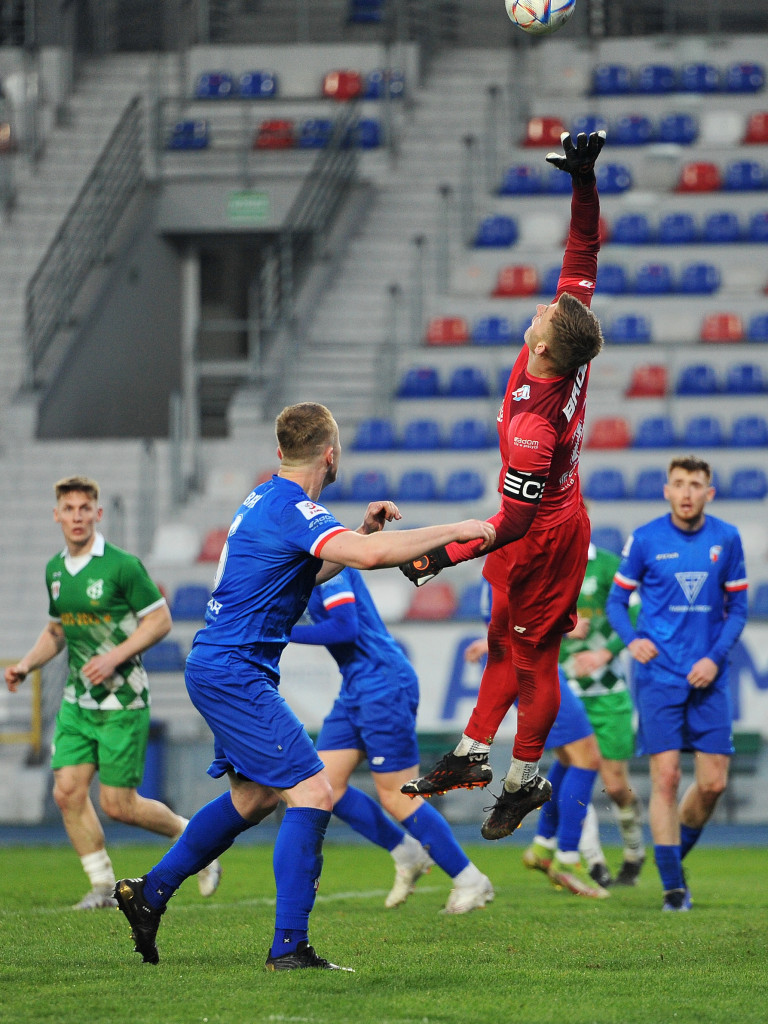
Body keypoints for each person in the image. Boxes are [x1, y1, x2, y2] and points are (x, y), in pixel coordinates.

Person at [111, 402, 495, 971]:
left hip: (224, 666)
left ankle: (150, 893)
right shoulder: (294, 508)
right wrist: (458, 528)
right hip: (235, 671)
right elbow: (370, 558)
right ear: (331, 454)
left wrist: (360, 530)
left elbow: (311, 569)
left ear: (280, 452)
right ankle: (289, 948)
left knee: (256, 796)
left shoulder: (264, 499)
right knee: (314, 792)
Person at [399, 129, 607, 841]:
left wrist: (441, 555)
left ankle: (523, 778)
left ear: (545, 346)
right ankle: (470, 754)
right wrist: (582, 182)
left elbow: (513, 524)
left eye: (545, 313)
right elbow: (584, 255)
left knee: (532, 655)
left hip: (543, 537)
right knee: (499, 643)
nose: (541, 307)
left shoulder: (534, 430)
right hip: (536, 524)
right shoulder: (566, 352)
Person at [3, 475, 222, 909]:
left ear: (98, 514)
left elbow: (158, 621)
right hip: (77, 700)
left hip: (122, 701)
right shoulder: (55, 570)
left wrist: (113, 657)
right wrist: (27, 665)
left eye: (85, 508)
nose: (77, 516)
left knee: (119, 805)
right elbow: (56, 631)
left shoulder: (122, 566)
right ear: (57, 515)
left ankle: (196, 842)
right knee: (66, 791)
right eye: (69, 509)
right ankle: (103, 886)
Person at [288, 567, 494, 914]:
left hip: (384, 685)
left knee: (398, 795)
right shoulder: (308, 566)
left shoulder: (327, 565)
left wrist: (280, 631)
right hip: (356, 686)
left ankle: (471, 880)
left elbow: (345, 626)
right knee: (325, 787)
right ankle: (407, 852)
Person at [605, 456, 748, 911]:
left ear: (711, 492)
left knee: (712, 785)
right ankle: (673, 890)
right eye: (680, 484)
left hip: (709, 678)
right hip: (659, 678)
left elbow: (739, 610)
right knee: (665, 778)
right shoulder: (646, 539)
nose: (687, 492)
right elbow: (615, 601)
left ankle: (672, 860)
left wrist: (713, 657)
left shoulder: (726, 538)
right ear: (666, 490)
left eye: (697, 484)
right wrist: (631, 639)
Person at [559, 541, 646, 888]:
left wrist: (606, 652)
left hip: (609, 692)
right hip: (565, 689)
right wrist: (560, 625)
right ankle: (593, 861)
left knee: (615, 785)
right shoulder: (548, 564)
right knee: (573, 779)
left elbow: (637, 612)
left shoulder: (609, 565)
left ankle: (634, 852)